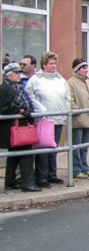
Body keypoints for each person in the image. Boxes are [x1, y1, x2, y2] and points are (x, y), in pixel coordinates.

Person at [25, 51, 70, 187]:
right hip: (44, 120)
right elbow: (29, 96)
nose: (54, 66)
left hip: (58, 118)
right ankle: (42, 177)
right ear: (44, 65)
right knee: (43, 149)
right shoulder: (35, 80)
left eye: (55, 63)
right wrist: (40, 110)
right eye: (51, 63)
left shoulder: (60, 79)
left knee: (53, 148)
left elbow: (67, 96)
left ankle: (52, 174)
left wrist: (66, 109)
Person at [0, 62, 41, 192]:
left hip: (19, 125)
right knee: (26, 155)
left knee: (15, 155)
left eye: (19, 73)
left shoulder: (16, 87)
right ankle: (27, 183)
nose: (19, 75)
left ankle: (10, 182)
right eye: (16, 73)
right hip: (14, 127)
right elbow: (3, 109)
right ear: (8, 75)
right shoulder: (5, 89)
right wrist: (21, 111)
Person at [67, 58, 89, 179]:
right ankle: (76, 169)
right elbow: (70, 100)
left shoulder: (88, 82)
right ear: (77, 70)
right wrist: (77, 111)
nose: (86, 70)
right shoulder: (71, 82)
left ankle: (85, 168)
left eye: (86, 67)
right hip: (78, 119)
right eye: (83, 68)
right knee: (76, 146)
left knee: (85, 146)